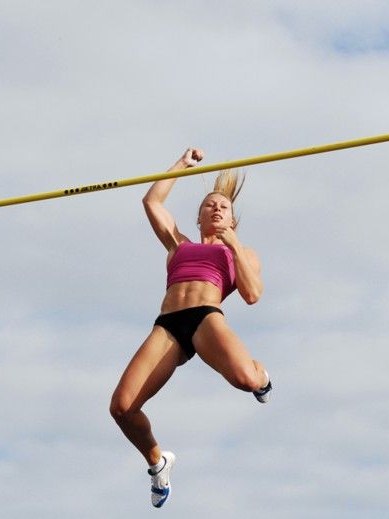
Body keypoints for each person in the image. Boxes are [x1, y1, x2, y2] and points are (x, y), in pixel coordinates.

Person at [109, 147, 272, 508]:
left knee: (247, 380)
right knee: (121, 408)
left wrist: (233, 243)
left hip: (206, 318)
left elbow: (252, 295)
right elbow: (152, 202)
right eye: (209, 205)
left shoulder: (241, 252)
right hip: (168, 326)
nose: (216, 208)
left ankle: (262, 376)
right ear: (199, 218)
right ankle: (158, 463)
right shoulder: (178, 245)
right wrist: (182, 164)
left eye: (223, 206)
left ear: (233, 220)